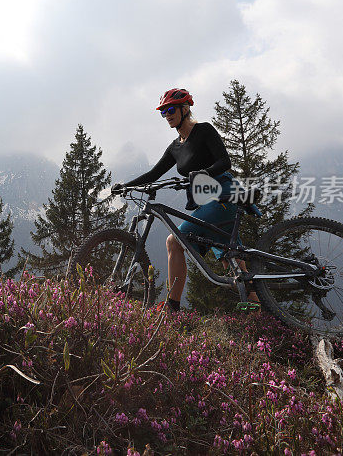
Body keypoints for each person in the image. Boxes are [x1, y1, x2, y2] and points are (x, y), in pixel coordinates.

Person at [111, 88, 260, 312]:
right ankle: (264, 319)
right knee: (234, 264)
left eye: (170, 110)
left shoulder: (204, 131)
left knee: (173, 241)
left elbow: (224, 161)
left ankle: (172, 306)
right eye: (163, 112)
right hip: (207, 201)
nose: (167, 115)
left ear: (185, 109)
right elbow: (154, 174)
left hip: (223, 196)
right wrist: (126, 186)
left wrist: (204, 173)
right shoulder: (175, 148)